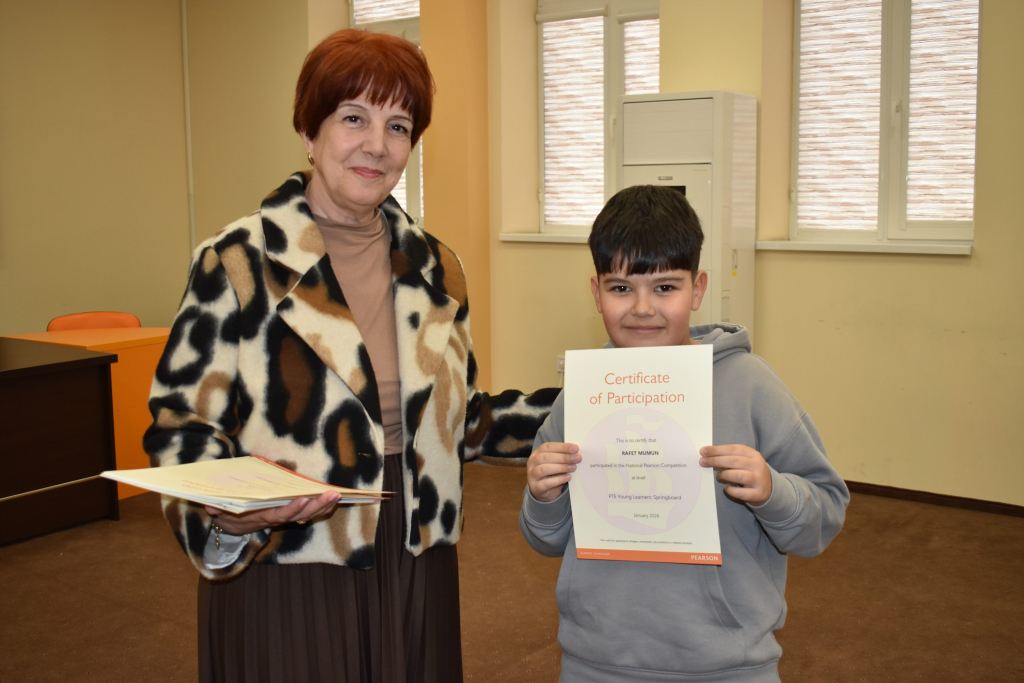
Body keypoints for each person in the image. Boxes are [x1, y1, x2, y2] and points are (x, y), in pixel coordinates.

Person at [144, 29, 556, 683]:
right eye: (354, 118)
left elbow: (463, 419)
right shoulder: (238, 261)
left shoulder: (437, 265)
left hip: (414, 553)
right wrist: (230, 512)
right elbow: (180, 428)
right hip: (288, 562)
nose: (377, 145)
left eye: (398, 126)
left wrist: (585, 407)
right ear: (309, 131)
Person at [519, 185, 850, 682]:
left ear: (697, 290)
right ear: (596, 293)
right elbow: (547, 540)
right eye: (621, 288)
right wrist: (543, 498)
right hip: (596, 662)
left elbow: (824, 515)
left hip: (728, 666)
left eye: (665, 288)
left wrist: (772, 491)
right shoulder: (583, 395)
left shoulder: (751, 386)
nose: (642, 308)